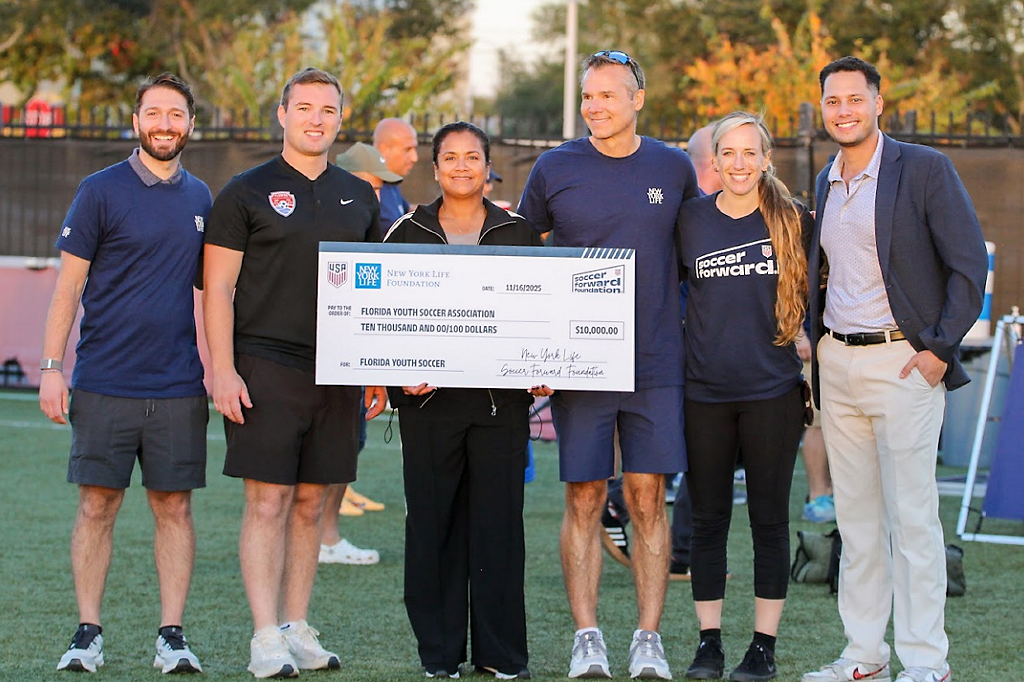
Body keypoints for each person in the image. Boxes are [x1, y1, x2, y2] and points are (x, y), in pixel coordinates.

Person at [802, 56, 988, 682]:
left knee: (912, 521)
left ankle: (926, 663)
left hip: (905, 363)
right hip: (838, 362)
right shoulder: (825, 178)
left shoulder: (925, 168)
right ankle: (863, 657)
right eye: (834, 100)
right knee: (856, 525)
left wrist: (936, 350)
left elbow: (968, 268)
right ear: (822, 107)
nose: (845, 110)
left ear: (879, 103)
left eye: (856, 99)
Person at [519, 50, 698, 680]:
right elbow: (521, 256)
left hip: (655, 361)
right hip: (579, 365)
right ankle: (587, 636)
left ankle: (648, 638)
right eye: (587, 96)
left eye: (607, 96)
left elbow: (697, 257)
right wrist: (533, 349)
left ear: (637, 99)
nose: (594, 106)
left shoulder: (673, 168)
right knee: (585, 495)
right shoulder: (553, 166)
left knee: (648, 498)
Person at [203, 67, 387, 679]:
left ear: (340, 118)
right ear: (282, 114)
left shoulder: (362, 195)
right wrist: (222, 369)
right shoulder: (244, 192)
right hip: (264, 364)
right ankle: (264, 637)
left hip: (337, 371)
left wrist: (377, 368)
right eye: (303, 107)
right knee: (268, 503)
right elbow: (218, 289)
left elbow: (376, 286)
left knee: (311, 504)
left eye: (326, 109)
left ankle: (296, 625)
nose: (315, 118)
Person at [39, 72, 209, 674]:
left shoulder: (202, 199)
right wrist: (53, 368)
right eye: (154, 113)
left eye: (176, 114)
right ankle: (88, 633)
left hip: (178, 387)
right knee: (96, 506)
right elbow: (68, 286)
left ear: (191, 124)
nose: (165, 123)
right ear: (137, 121)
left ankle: (173, 636)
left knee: (174, 508)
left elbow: (219, 292)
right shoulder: (99, 191)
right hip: (104, 380)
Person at [384, 121, 550, 680]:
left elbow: (542, 318)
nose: (461, 166)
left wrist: (545, 368)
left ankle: (501, 655)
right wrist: (396, 377)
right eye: (449, 158)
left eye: (471, 157)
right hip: (429, 409)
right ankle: (439, 654)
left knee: (500, 529)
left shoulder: (520, 233)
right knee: (434, 529)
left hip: (499, 409)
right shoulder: (405, 233)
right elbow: (381, 325)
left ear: (487, 167)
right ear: (434, 169)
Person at [676, 112, 811, 682]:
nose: (737, 163)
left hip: (772, 393)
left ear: (764, 158)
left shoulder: (795, 221)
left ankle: (763, 647)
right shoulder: (689, 220)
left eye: (747, 152)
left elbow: (824, 294)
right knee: (707, 520)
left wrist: (810, 339)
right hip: (704, 392)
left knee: (768, 521)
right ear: (713, 159)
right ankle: (709, 644)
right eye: (726, 153)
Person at [311, 141, 403, 566]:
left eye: (382, 185)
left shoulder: (377, 222)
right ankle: (312, 537)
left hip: (352, 354)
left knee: (349, 446)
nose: (378, 193)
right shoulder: (323, 214)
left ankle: (326, 537)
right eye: (371, 182)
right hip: (308, 353)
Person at [374, 117, 419, 228]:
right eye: (407, 149)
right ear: (384, 150)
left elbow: (409, 211)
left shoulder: (390, 183)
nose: (415, 158)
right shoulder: (369, 187)